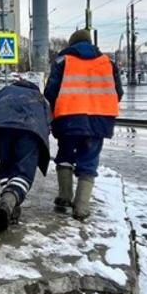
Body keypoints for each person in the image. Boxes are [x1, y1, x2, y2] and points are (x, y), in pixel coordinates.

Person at [44, 29, 122, 221]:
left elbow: (50, 92)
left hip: (68, 117)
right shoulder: (108, 62)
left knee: (65, 156)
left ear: (71, 44)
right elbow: (118, 92)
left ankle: (64, 197)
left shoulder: (63, 61)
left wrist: (54, 113)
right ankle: (81, 208)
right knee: (89, 160)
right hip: (99, 120)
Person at [0, 78, 51, 231]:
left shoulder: (2, 92)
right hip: (30, 133)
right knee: (24, 173)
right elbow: (48, 121)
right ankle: (8, 202)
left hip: (3, 130)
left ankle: (10, 206)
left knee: (6, 168)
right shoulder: (39, 98)